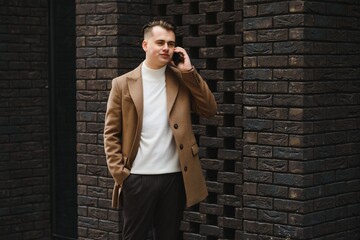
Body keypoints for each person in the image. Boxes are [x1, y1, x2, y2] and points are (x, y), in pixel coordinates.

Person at [103, 19, 217, 240]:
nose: (167, 48)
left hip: (174, 177)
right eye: (160, 42)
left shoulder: (182, 79)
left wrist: (189, 71)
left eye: (171, 44)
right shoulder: (122, 83)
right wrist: (121, 174)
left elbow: (209, 109)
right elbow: (111, 132)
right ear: (145, 45)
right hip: (136, 178)